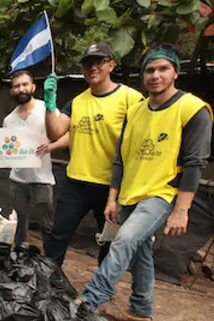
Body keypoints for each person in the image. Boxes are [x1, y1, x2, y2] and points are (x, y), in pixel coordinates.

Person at [78, 44, 213, 321]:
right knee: (140, 252)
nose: (155, 75)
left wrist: (182, 210)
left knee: (125, 240)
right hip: (129, 193)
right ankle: (141, 310)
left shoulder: (192, 109)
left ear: (175, 72)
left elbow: (194, 163)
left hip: (162, 194)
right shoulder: (136, 111)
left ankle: (89, 302)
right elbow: (120, 159)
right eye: (150, 70)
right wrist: (112, 198)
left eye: (163, 69)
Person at [39, 42, 143, 266]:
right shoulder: (77, 102)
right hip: (76, 181)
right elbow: (55, 132)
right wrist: (50, 103)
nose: (92, 68)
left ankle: (101, 289)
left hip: (112, 186)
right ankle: (47, 280)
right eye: (87, 64)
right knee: (58, 235)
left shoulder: (131, 99)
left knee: (108, 240)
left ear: (111, 65)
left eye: (98, 62)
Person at [1, 69, 59, 249]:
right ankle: (19, 257)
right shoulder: (8, 120)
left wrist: (50, 145)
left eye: (25, 84)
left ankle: (50, 263)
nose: (21, 89)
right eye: (17, 86)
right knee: (18, 225)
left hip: (42, 178)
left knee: (47, 225)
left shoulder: (47, 109)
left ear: (33, 87)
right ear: (12, 91)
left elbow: (63, 133)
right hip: (17, 180)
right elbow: (6, 151)